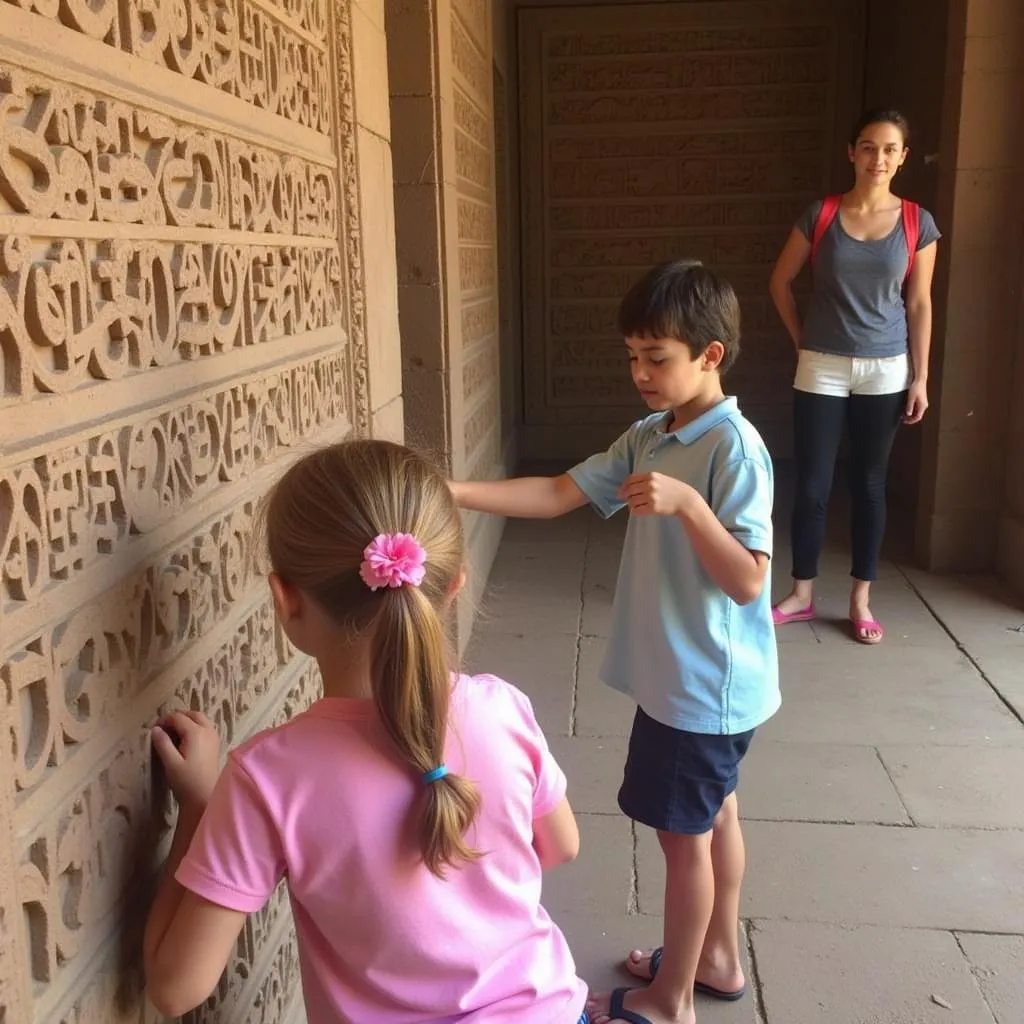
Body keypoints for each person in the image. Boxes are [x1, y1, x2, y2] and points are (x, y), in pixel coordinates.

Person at [143, 440, 589, 1024]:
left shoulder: (268, 776)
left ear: (284, 599)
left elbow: (175, 988)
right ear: (453, 587)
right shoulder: (501, 708)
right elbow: (561, 846)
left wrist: (202, 811)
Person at [450, 261, 780, 1024]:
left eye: (656, 357)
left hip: (702, 688)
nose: (639, 372)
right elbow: (562, 492)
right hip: (696, 681)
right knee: (716, 816)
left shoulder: (733, 449)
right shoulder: (648, 437)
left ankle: (671, 1002)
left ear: (710, 355)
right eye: (631, 355)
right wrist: (456, 492)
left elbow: (750, 581)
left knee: (682, 839)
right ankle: (718, 959)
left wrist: (691, 508)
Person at [769, 107, 940, 644]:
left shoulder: (917, 223)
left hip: (886, 369)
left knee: (869, 484)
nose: (879, 158)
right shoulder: (821, 214)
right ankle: (801, 593)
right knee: (813, 483)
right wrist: (804, 342)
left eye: (890, 149)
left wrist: (921, 377)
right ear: (851, 152)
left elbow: (919, 305)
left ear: (903, 157)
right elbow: (780, 282)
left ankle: (860, 599)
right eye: (869, 147)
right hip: (821, 366)